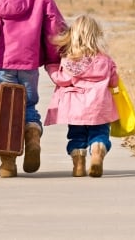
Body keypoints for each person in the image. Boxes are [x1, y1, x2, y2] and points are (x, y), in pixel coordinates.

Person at [0, 0, 66, 178]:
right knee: (28, 106)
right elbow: (54, 30)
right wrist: (54, 59)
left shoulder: (0, 2)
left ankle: (8, 164)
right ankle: (33, 133)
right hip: (29, 65)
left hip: (4, 66)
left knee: (7, 111)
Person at [44, 15, 119, 177]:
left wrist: (51, 68)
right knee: (99, 133)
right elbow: (114, 82)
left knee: (77, 136)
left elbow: (62, 80)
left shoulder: (69, 60)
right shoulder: (105, 60)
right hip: (98, 106)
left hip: (75, 108)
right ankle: (98, 149)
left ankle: (78, 164)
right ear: (97, 36)